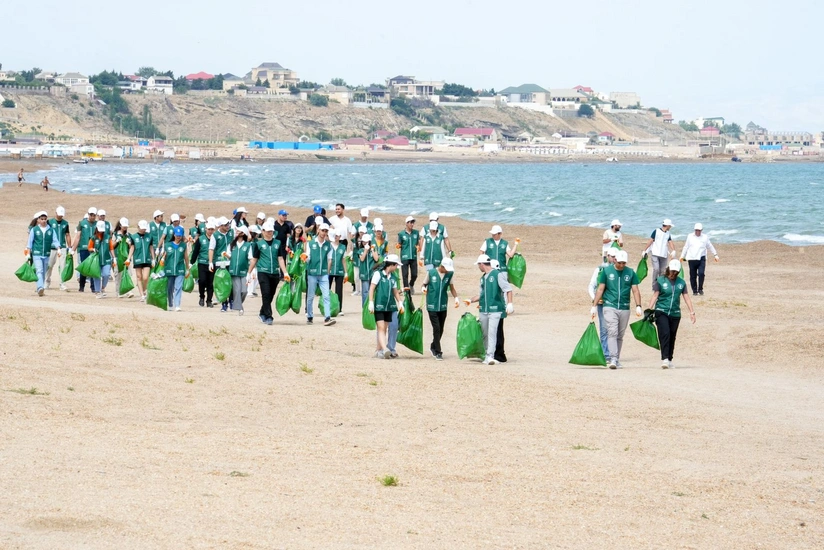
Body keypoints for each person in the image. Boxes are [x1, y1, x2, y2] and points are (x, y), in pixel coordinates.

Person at [592, 250, 643, 369]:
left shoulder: (630, 273)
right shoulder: (606, 271)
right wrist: (594, 306)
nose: (621, 265)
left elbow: (635, 290)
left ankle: (617, 358)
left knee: (620, 335)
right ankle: (613, 358)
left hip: (624, 307)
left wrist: (638, 305)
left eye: (624, 263)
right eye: (620, 262)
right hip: (609, 305)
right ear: (615, 260)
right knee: (612, 331)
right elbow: (600, 289)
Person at [465, 254, 514, 365]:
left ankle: (490, 356)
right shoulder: (482, 278)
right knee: (485, 333)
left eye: (478, 265)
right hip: (483, 309)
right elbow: (481, 295)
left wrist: (510, 304)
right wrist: (471, 300)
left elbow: (508, 289)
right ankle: (487, 353)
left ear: (482, 264)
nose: (478, 267)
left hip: (495, 309)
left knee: (492, 333)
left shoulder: (497, 275)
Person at [648, 259, 696, 369]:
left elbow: (686, 298)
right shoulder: (660, 280)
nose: (673, 273)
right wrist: (649, 309)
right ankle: (664, 359)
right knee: (665, 333)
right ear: (668, 269)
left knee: (672, 336)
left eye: (676, 272)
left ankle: (669, 358)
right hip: (661, 311)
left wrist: (692, 312)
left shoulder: (681, 283)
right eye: (672, 271)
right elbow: (655, 295)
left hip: (675, 313)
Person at [421, 258, 459, 360]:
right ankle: (438, 351)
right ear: (441, 266)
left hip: (442, 305)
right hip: (432, 304)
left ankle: (433, 345)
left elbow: (452, 288)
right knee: (436, 328)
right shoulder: (431, 272)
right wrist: (423, 288)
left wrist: (456, 298)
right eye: (445, 268)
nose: (447, 271)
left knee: (441, 328)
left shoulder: (449, 274)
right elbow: (424, 283)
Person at [368, 254, 404, 359]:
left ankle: (378, 350)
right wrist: (371, 302)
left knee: (384, 328)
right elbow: (372, 288)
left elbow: (395, 292)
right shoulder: (378, 274)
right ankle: (385, 349)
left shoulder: (393, 277)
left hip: (390, 306)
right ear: (391, 265)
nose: (397, 267)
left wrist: (400, 302)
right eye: (396, 265)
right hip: (379, 305)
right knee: (381, 327)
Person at [254, 221, 289, 325]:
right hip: (262, 271)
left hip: (274, 272)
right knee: (265, 293)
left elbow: (280, 258)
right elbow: (254, 259)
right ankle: (269, 316)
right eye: (268, 231)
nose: (269, 233)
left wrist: (285, 272)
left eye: (271, 231)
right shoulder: (258, 244)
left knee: (271, 294)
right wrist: (249, 272)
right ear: (263, 231)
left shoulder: (277, 243)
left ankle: (262, 313)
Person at [303, 222, 336, 326]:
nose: (324, 233)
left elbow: (330, 260)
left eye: (326, 231)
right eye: (322, 230)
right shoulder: (311, 243)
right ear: (318, 230)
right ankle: (309, 316)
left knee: (326, 295)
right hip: (312, 273)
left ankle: (327, 317)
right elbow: (308, 256)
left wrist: (328, 272)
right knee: (310, 296)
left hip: (323, 274)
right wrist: (305, 258)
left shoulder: (328, 245)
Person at [588, 248, 618, 357]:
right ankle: (606, 354)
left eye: (616, 257)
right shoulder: (600, 270)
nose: (614, 259)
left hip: (614, 303)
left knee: (614, 328)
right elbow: (591, 286)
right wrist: (595, 299)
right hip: (602, 303)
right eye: (612, 257)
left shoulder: (618, 270)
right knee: (604, 328)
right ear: (608, 256)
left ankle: (612, 352)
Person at [26, 211, 60, 297]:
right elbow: (30, 242)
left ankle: (40, 288)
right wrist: (28, 253)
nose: (44, 221)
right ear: (38, 220)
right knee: (39, 270)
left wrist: (58, 248)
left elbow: (55, 240)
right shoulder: (35, 230)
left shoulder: (51, 230)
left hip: (46, 254)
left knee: (44, 272)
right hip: (37, 253)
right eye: (42, 219)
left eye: (45, 219)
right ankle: (40, 287)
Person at [680, 223, 720, 296]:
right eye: (696, 230)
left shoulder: (705, 237)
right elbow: (686, 247)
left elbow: (710, 246)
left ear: (701, 230)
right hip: (692, 258)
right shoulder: (690, 236)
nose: (697, 232)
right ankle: (694, 291)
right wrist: (682, 256)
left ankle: (700, 289)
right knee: (693, 275)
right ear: (694, 230)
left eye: (699, 230)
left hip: (701, 258)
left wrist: (715, 254)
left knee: (701, 274)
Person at [226, 226, 256, 316]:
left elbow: (251, 259)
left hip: (244, 271)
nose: (236, 232)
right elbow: (229, 256)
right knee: (237, 289)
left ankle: (238, 304)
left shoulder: (248, 245)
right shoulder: (232, 244)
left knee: (244, 291)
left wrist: (251, 271)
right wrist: (226, 255)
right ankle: (240, 308)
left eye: (239, 230)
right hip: (233, 271)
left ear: (243, 233)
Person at [642, 218, 676, 290]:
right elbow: (650, 241)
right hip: (655, 253)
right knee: (656, 269)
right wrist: (645, 250)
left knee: (663, 271)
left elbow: (670, 242)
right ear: (667, 225)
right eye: (670, 226)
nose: (670, 227)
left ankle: (661, 285)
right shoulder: (656, 231)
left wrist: (673, 250)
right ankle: (654, 285)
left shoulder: (668, 233)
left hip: (663, 254)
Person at [208, 217, 234, 311]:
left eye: (228, 224)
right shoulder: (215, 235)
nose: (227, 226)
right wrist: (210, 262)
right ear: (220, 226)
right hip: (220, 262)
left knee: (231, 282)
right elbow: (211, 249)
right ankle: (224, 303)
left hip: (230, 260)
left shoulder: (231, 232)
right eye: (225, 225)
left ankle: (231, 300)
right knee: (222, 283)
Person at [163, 225, 190, 311]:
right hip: (169, 269)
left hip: (180, 269)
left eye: (180, 235)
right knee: (170, 288)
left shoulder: (183, 245)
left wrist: (187, 269)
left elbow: (186, 257)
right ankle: (170, 303)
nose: (178, 237)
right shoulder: (167, 245)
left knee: (178, 287)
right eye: (177, 235)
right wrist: (162, 260)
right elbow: (164, 256)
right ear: (174, 235)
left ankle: (177, 304)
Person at [72, 207, 98, 293]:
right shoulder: (82, 223)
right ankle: (81, 286)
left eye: (94, 215)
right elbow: (78, 237)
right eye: (91, 215)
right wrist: (73, 249)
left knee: (93, 267)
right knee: (84, 267)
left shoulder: (97, 224)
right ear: (88, 214)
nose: (92, 217)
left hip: (94, 249)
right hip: (83, 248)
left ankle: (93, 287)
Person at [191, 221, 215, 307]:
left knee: (211, 282)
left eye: (212, 229)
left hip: (212, 263)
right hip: (202, 263)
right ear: (205, 229)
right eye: (209, 229)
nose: (210, 231)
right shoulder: (201, 239)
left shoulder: (215, 239)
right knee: (202, 280)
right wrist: (192, 262)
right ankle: (201, 297)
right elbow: (196, 251)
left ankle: (209, 300)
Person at [88, 220, 115, 299]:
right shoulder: (93, 237)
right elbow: (89, 247)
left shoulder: (107, 237)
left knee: (106, 274)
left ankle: (103, 287)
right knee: (96, 275)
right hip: (97, 260)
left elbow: (111, 248)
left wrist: (114, 257)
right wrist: (92, 249)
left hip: (106, 259)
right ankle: (97, 291)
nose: (101, 232)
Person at [46, 206, 70, 291]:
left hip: (62, 246)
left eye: (61, 215)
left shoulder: (65, 223)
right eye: (59, 214)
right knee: (49, 265)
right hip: (52, 247)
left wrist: (69, 247)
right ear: (55, 213)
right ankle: (46, 282)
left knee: (62, 266)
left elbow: (67, 235)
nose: (60, 216)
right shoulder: (49, 222)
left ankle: (62, 283)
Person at [131, 220, 154, 302]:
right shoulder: (134, 237)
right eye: (142, 228)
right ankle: (142, 295)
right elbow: (132, 247)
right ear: (138, 227)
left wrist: (153, 258)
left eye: (144, 228)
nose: (143, 230)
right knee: (139, 277)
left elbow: (151, 247)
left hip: (147, 259)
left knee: (145, 277)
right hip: (137, 259)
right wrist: (129, 257)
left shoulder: (149, 236)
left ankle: (144, 290)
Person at [113, 217, 135, 299]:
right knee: (118, 275)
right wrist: (117, 241)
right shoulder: (115, 234)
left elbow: (132, 247)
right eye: (124, 226)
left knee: (128, 274)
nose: (125, 228)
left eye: (126, 226)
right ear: (120, 225)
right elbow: (111, 246)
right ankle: (118, 291)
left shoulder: (129, 235)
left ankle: (128, 291)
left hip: (126, 257)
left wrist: (129, 243)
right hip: (117, 257)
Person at [397, 216, 420, 293]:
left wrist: (418, 247)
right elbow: (399, 243)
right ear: (406, 223)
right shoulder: (401, 234)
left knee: (414, 274)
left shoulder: (416, 233)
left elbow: (418, 243)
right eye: (410, 222)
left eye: (413, 222)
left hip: (413, 256)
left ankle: (411, 284)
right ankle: (406, 290)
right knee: (405, 274)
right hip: (404, 256)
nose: (412, 224)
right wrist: (398, 245)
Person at [328, 229, 347, 316]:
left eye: (338, 236)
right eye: (335, 236)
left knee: (339, 290)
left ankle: (339, 308)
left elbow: (343, 259)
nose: (336, 237)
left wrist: (346, 271)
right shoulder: (329, 245)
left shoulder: (343, 247)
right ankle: (327, 307)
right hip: (329, 271)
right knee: (327, 289)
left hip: (339, 271)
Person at [358, 233, 379, 305]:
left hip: (372, 273)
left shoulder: (373, 249)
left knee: (372, 290)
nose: (365, 243)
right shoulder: (360, 250)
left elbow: (376, 259)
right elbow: (362, 259)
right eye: (363, 242)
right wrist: (365, 251)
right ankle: (365, 306)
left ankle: (372, 304)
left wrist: (372, 250)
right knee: (365, 291)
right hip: (364, 273)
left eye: (366, 242)